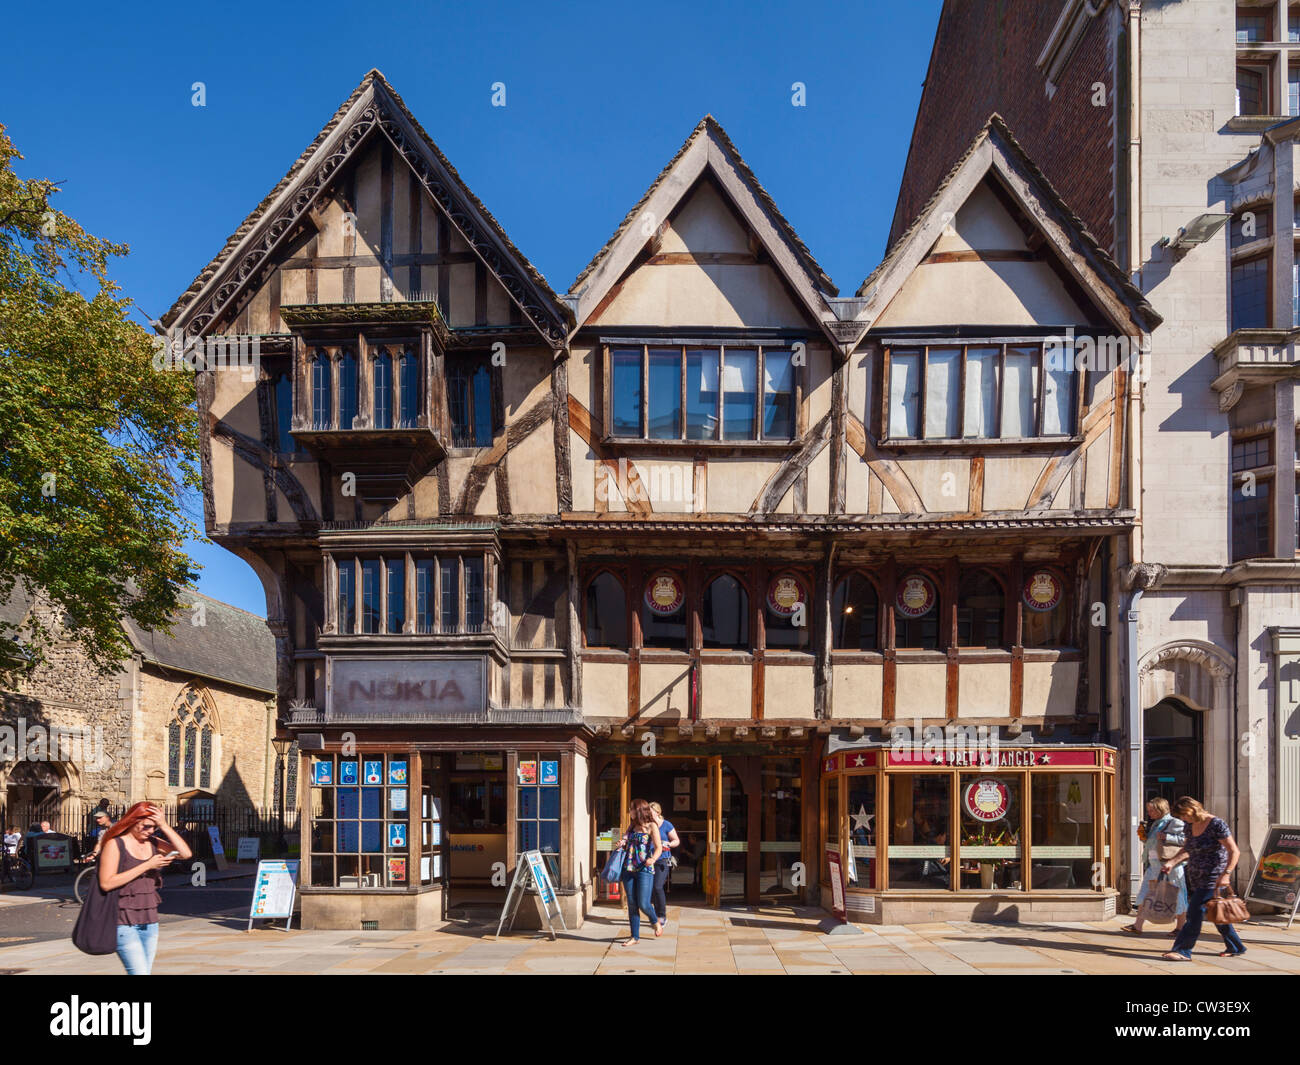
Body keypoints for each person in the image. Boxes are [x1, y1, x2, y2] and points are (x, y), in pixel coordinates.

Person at [97, 802, 193, 975]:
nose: (150, 831)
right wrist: (148, 865)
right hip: (122, 919)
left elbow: (185, 854)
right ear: (133, 821)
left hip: (149, 918)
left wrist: (164, 825)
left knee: (144, 972)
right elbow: (107, 882)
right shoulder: (115, 844)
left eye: (154, 827)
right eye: (147, 826)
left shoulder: (153, 842)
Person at [1160, 796, 1245, 961]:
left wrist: (1226, 874)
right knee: (1217, 913)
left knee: (1194, 913)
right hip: (1195, 877)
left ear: (1192, 809)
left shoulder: (1216, 824)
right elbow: (1187, 849)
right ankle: (1236, 946)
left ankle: (1182, 950)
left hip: (1214, 877)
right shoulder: (1189, 826)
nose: (1183, 819)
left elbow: (1234, 851)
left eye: (1184, 815)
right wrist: (1172, 862)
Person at [1123, 797, 1187, 935]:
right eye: (1148, 810)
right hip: (1154, 864)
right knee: (1146, 892)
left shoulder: (1175, 822)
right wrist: (1144, 838)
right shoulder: (1156, 823)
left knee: (1177, 894)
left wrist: (1167, 837)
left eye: (1151, 810)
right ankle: (1137, 925)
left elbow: (1186, 840)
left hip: (1170, 866)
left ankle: (1181, 927)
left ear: (1160, 809)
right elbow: (1153, 844)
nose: (1149, 813)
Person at [613, 798, 663, 946]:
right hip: (628, 868)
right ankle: (634, 937)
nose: (630, 812)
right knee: (632, 903)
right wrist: (622, 842)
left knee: (643, 903)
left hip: (644, 869)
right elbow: (626, 839)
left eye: (632, 809)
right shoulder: (632, 826)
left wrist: (653, 859)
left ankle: (655, 921)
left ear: (639, 810)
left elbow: (659, 847)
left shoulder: (651, 826)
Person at [647, 801, 680, 930]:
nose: (648, 813)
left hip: (662, 860)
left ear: (657, 812)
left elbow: (676, 840)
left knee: (657, 887)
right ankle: (655, 916)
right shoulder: (647, 824)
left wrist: (669, 844)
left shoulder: (666, 825)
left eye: (651, 811)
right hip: (649, 859)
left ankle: (662, 916)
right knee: (651, 889)